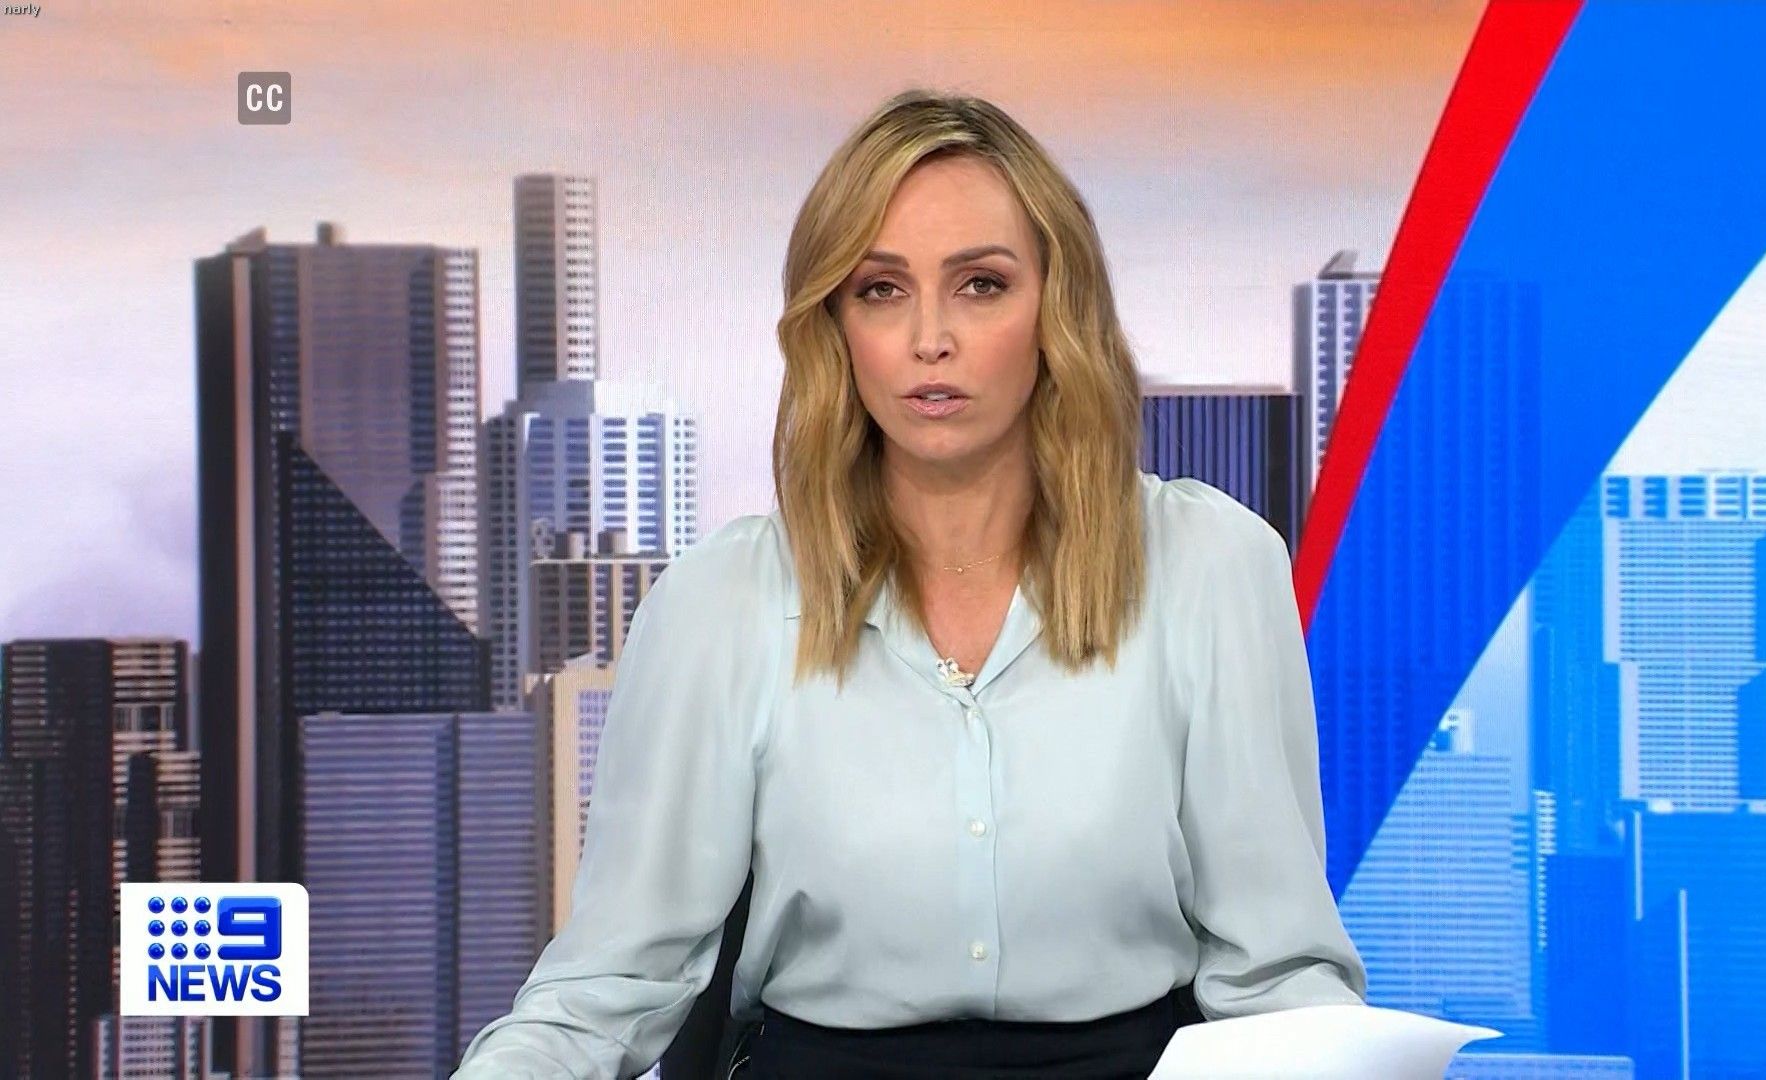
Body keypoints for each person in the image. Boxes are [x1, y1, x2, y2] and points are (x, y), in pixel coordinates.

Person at [454, 87, 1366, 1080]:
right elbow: (605, 990)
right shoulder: (722, 602)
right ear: (835, 324)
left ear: (1056, 307)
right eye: (882, 290)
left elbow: (1279, 978)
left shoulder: (1211, 566)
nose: (932, 338)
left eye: (980, 284)